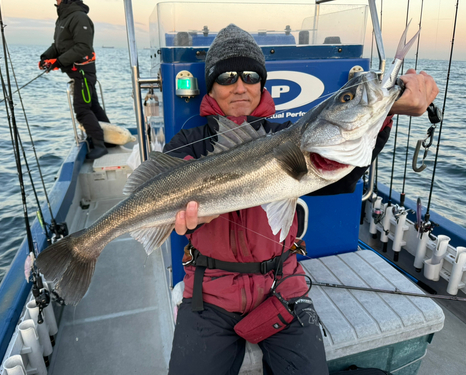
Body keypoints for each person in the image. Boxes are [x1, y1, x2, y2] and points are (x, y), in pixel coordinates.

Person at [164, 24, 439, 375]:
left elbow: (342, 174)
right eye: (226, 76)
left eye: (250, 75)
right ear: (211, 85)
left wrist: (383, 116)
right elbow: (164, 187)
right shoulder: (188, 142)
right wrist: (183, 211)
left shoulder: (288, 136)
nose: (239, 86)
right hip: (208, 294)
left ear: (262, 83)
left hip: (281, 286)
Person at [39, 0, 110, 160]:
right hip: (76, 72)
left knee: (82, 109)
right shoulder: (63, 18)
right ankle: (109, 140)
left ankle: (99, 145)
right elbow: (58, 45)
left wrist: (57, 62)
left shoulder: (79, 17)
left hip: (83, 72)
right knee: (93, 106)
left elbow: (83, 47)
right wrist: (46, 58)